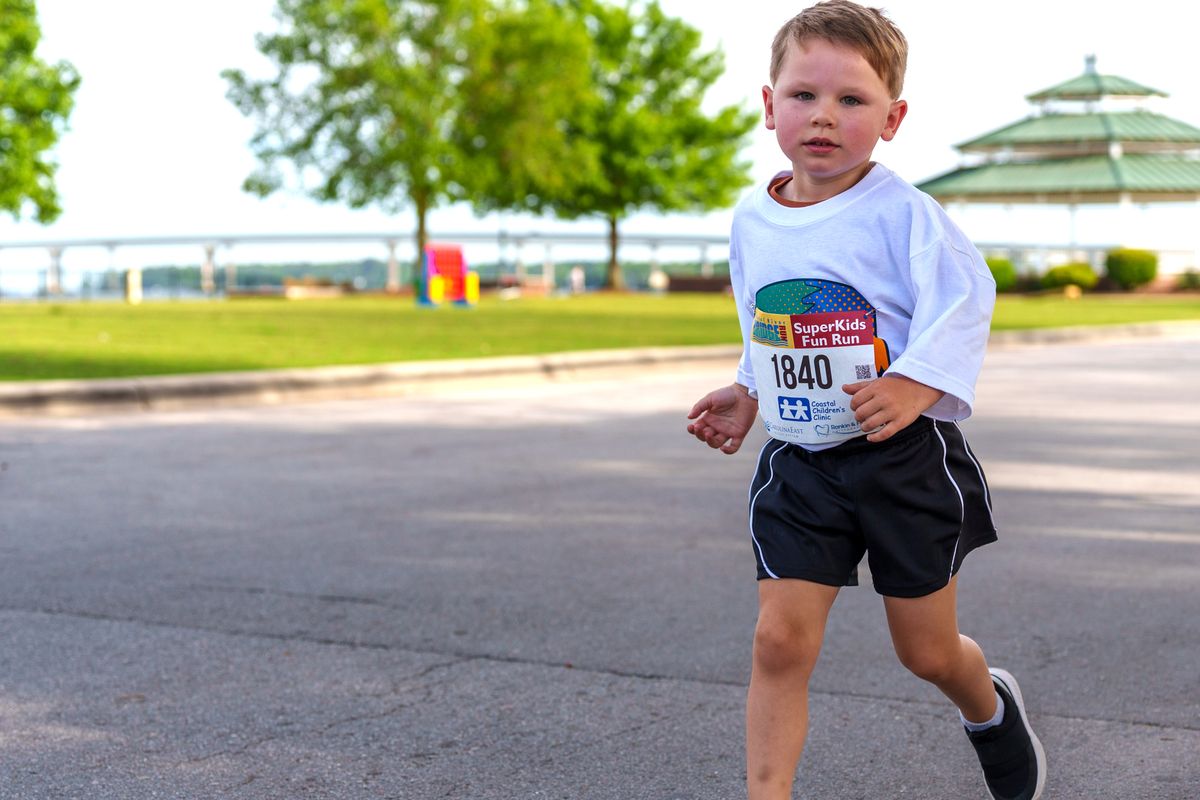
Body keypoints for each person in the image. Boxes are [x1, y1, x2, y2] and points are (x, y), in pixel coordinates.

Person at [685, 3, 1046, 799]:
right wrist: (748, 389)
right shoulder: (754, 217)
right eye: (803, 95)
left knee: (925, 651)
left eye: (852, 100)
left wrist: (915, 385)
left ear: (892, 118)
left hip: (902, 460)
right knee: (778, 642)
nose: (823, 116)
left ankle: (989, 708)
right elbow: (767, 318)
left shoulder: (905, 215)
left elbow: (965, 299)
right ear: (768, 103)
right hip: (801, 460)